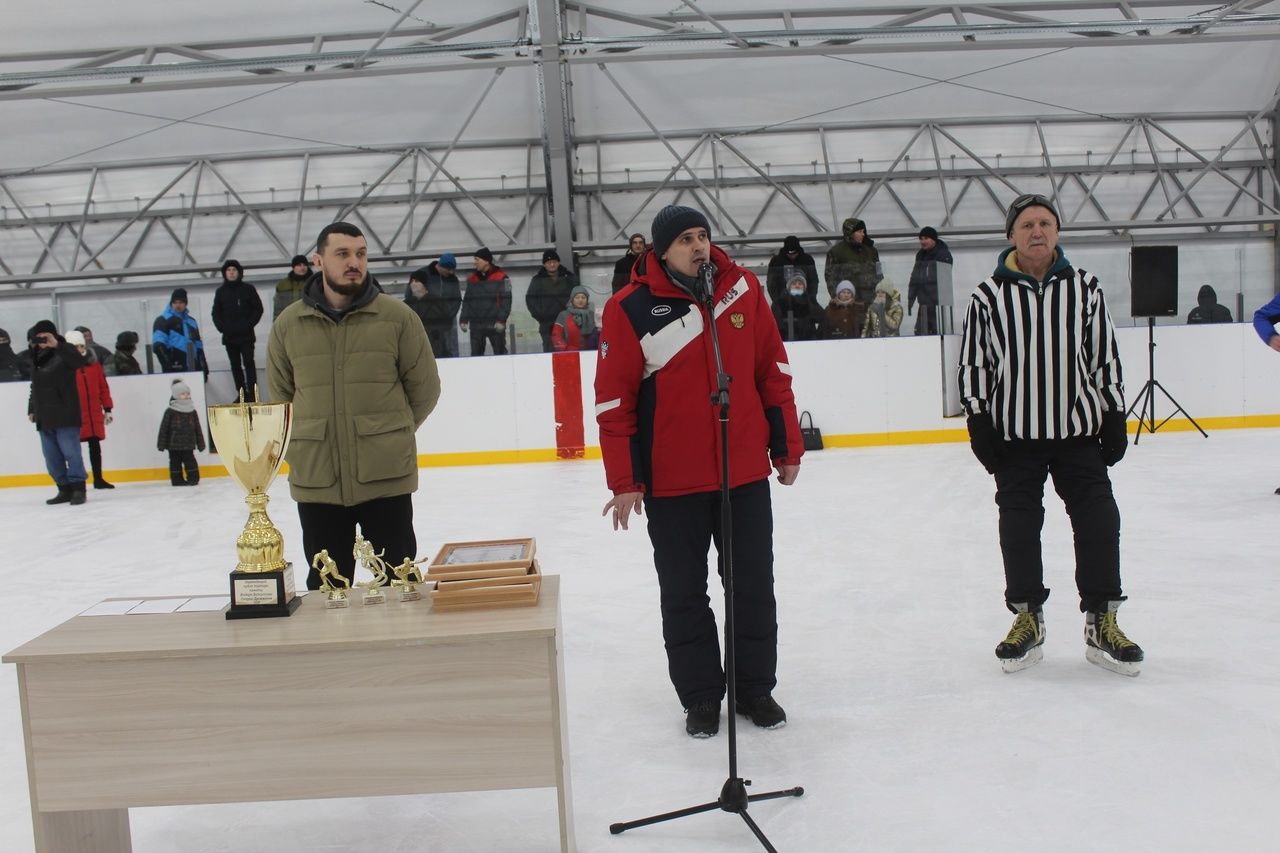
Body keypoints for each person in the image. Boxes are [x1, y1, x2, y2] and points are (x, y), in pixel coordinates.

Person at [595, 204, 805, 738]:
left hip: (743, 476)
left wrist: (787, 447)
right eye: (685, 238)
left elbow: (771, 371)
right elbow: (612, 402)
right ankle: (701, 696)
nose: (698, 246)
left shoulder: (742, 290)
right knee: (684, 593)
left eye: (703, 235)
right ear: (661, 250)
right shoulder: (630, 308)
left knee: (753, 587)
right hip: (672, 484)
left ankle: (755, 688)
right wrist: (625, 481)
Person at [958, 193, 1142, 677]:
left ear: (1056, 232)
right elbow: (975, 366)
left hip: (1078, 434)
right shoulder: (987, 297)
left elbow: (1105, 357)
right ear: (1011, 236)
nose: (1036, 231)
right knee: (1018, 530)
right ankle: (1027, 619)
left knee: (1100, 522)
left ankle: (1103, 619)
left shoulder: (1085, 288)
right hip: (1015, 439)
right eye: (1026, 225)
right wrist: (979, 422)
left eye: (1044, 223)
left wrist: (1115, 412)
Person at [267, 221, 441, 589]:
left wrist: (390, 434)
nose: (354, 262)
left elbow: (425, 389)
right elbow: (281, 398)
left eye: (360, 254)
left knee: (400, 582)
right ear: (319, 260)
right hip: (318, 479)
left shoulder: (397, 318)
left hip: (385, 476)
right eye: (343, 253)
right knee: (328, 586)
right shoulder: (288, 325)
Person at [26, 320, 89, 505]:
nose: (43, 340)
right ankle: (64, 488)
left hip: (66, 412)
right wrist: (32, 409)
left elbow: (79, 362)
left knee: (71, 453)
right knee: (52, 457)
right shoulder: (35, 356)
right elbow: (34, 386)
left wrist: (58, 345)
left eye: (46, 336)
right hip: (44, 415)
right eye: (39, 337)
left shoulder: (65, 350)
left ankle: (78, 488)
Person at [65, 330, 115, 490]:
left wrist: (107, 408)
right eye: (74, 347)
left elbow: (103, 387)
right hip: (74, 414)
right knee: (73, 451)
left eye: (81, 346)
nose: (79, 349)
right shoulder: (65, 367)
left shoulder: (94, 364)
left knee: (95, 447)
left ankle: (98, 478)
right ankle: (76, 480)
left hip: (93, 413)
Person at [211, 259, 265, 401]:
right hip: (229, 337)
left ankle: (253, 394)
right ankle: (241, 394)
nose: (231, 273)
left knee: (249, 363)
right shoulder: (221, 292)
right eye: (228, 270)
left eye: (234, 270)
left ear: (239, 272)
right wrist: (222, 328)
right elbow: (215, 313)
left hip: (246, 336)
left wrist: (249, 324)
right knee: (235, 366)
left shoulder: (248, 289)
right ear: (225, 273)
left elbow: (258, 309)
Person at [403, 255, 462, 359]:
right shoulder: (423, 274)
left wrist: (449, 315)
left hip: (446, 320)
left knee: (449, 348)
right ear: (441, 266)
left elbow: (457, 299)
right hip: (427, 320)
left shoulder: (452, 279)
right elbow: (410, 295)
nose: (451, 272)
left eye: (453, 270)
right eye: (449, 269)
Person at [766, 236, 820, 342]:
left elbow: (814, 281)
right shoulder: (776, 261)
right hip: (783, 303)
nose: (792, 256)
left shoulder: (807, 259)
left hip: (805, 302)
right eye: (789, 254)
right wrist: (777, 300)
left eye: (795, 253)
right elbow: (771, 283)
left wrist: (811, 298)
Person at [460, 247, 512, 356]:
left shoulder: (502, 277)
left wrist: (501, 320)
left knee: (500, 354)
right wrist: (463, 319)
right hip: (476, 325)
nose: (475, 263)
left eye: (477, 259)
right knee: (476, 356)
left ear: (486, 261)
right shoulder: (472, 279)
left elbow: (506, 300)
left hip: (495, 324)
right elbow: (467, 301)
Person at [526, 249, 578, 353]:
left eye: (554, 261)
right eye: (549, 262)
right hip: (546, 323)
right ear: (544, 264)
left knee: (570, 348)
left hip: (567, 321)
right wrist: (540, 316)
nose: (552, 264)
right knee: (549, 350)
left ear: (558, 263)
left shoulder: (569, 277)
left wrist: (573, 313)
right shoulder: (537, 280)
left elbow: (577, 294)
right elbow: (530, 300)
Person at [156, 378, 204, 486]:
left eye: (188, 393)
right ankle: (177, 480)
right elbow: (164, 429)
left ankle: (193, 479)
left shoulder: (192, 411)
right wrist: (161, 444)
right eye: (183, 394)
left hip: (188, 444)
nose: (186, 396)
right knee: (175, 463)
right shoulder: (170, 411)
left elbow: (197, 428)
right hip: (173, 445)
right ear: (176, 395)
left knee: (190, 462)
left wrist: (201, 443)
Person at [152, 288, 208, 378]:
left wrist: (203, 366)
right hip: (174, 366)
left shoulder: (192, 321)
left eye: (181, 302)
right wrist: (167, 365)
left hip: (193, 367)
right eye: (175, 302)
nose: (178, 305)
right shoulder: (162, 320)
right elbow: (158, 345)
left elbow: (198, 346)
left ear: (186, 303)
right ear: (171, 303)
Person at [907, 226, 954, 335]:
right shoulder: (920, 255)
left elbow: (944, 281)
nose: (923, 241)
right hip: (923, 303)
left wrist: (934, 295)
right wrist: (911, 299)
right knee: (920, 331)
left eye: (926, 238)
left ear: (934, 239)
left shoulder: (943, 254)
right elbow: (914, 278)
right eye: (921, 238)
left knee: (934, 332)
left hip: (937, 304)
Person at [824, 217, 880, 304]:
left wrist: (881, 294)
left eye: (863, 231)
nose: (863, 234)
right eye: (859, 232)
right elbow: (830, 278)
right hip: (848, 303)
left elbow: (879, 274)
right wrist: (837, 298)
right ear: (850, 233)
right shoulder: (836, 252)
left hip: (870, 302)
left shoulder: (872, 251)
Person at [551, 285, 599, 351]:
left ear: (587, 300)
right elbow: (556, 335)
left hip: (590, 353)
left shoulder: (592, 315)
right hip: (569, 353)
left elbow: (599, 333)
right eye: (577, 297)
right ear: (572, 300)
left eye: (583, 297)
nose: (580, 300)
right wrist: (563, 349)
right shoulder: (563, 315)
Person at [273, 255, 312, 320]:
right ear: (293, 267)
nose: (302, 267)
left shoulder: (314, 283)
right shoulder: (283, 285)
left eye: (305, 265)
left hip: (311, 321)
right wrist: (276, 321)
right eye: (299, 265)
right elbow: (278, 306)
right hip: (289, 320)